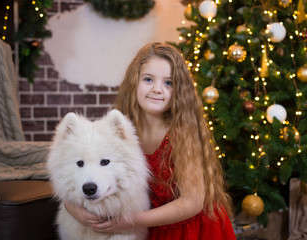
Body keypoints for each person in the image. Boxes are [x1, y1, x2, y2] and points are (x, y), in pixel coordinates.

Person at [64, 42, 236, 239]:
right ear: (133, 82)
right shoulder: (118, 131)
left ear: (179, 91)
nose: (157, 89)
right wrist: (73, 209)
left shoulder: (182, 135)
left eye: (168, 83)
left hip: (186, 230)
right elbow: (83, 174)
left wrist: (133, 220)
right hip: (141, 227)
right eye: (148, 79)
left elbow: (192, 202)